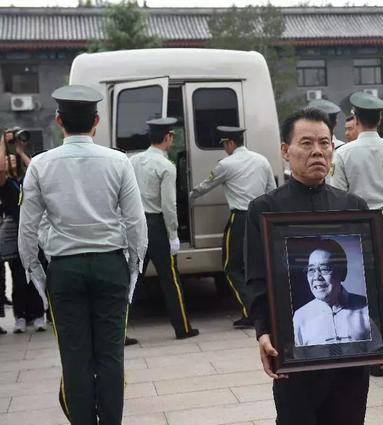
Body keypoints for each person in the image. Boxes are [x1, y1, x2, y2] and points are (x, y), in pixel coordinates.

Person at [245, 108, 383, 425]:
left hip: (351, 360)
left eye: (325, 143)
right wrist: (263, 331)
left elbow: (381, 273)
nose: (318, 151)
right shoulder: (265, 209)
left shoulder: (353, 207)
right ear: (286, 151)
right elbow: (257, 278)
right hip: (294, 357)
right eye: (306, 143)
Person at [18, 84, 147, 425]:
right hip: (110, 266)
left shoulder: (41, 165)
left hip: (65, 268)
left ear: (59, 120)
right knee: (110, 357)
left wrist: (37, 274)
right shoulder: (118, 161)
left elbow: (27, 228)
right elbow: (136, 223)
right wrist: (133, 267)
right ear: (97, 121)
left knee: (74, 359)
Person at [330, 91, 383, 376]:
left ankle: (375, 352)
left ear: (356, 120)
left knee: (366, 289)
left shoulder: (344, 153)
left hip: (360, 226)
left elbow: (339, 196)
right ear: (381, 118)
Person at [190, 125, 276, 328]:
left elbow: (204, 187)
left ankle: (251, 312)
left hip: (240, 220)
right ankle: (264, 310)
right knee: (255, 266)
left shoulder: (226, 165)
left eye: (224, 145)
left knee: (231, 267)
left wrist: (187, 199)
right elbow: (271, 190)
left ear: (229, 143)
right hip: (261, 218)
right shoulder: (261, 160)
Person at [130, 117, 198, 340]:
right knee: (170, 280)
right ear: (168, 138)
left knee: (132, 279)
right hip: (157, 226)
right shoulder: (166, 166)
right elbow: (169, 206)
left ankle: (117, 333)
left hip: (136, 224)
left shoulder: (133, 161)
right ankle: (182, 328)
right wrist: (173, 235)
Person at [0, 131, 46, 334]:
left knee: (36, 273)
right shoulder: (7, 185)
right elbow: (0, 169)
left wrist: (20, 150)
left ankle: (38, 315)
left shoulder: (29, 180)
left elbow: (37, 169)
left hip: (34, 233)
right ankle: (20, 316)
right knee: (19, 277)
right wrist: (3, 142)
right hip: (15, 234)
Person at [292, 238, 371, 347]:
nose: (316, 277)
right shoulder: (300, 317)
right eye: (311, 270)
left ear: (343, 272)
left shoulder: (366, 308)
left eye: (325, 269)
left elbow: (379, 353)